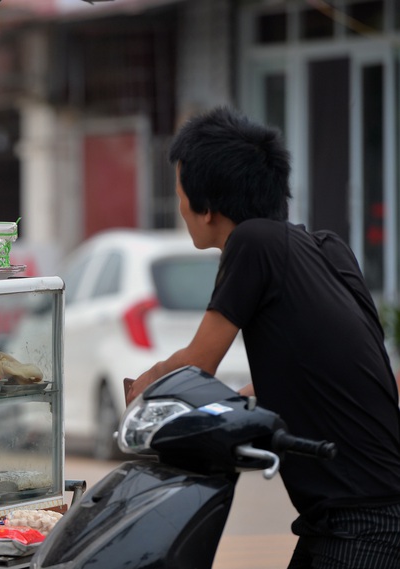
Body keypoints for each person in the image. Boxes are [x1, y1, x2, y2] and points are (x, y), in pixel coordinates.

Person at [126, 106, 400, 568]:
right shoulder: (328, 248)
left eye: (178, 194)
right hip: (357, 514)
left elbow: (198, 362)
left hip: (361, 524)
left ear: (206, 205)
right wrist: (242, 401)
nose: (179, 206)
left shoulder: (253, 243)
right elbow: (326, 370)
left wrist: (142, 388)